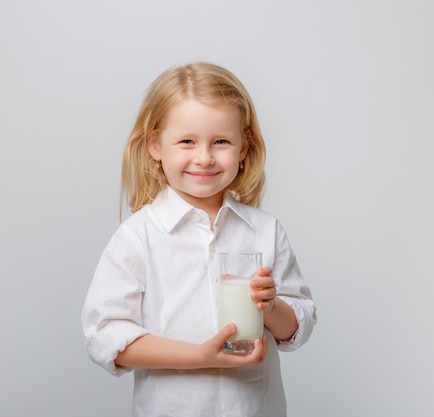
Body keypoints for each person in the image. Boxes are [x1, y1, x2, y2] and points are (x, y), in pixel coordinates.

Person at [81, 62, 317, 417]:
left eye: (221, 141)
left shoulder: (265, 230)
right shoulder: (138, 237)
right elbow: (104, 334)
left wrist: (271, 307)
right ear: (155, 146)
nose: (204, 157)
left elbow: (298, 325)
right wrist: (199, 356)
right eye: (187, 141)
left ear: (242, 149)